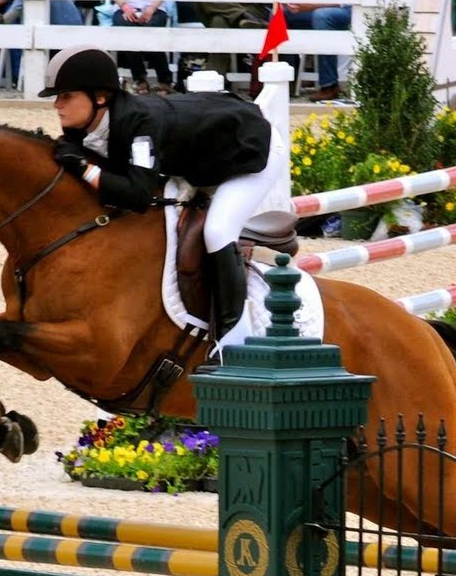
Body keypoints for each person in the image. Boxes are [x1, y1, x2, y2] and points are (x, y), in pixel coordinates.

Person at [41, 45, 286, 357]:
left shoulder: (139, 125)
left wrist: (84, 169)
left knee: (217, 231)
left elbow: (139, 195)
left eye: (65, 96)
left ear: (99, 97)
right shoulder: (84, 123)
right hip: (201, 158)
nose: (57, 106)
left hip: (252, 152)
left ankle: (232, 338)